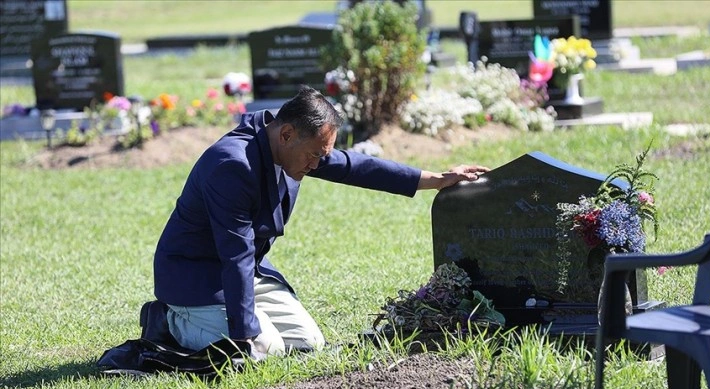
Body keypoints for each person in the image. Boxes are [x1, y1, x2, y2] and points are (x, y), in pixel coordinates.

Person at [150, 85, 489, 358]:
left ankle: (241, 329)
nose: (317, 165)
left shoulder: (294, 146)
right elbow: (235, 253)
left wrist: (438, 179)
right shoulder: (232, 166)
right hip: (196, 279)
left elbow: (355, 166)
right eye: (315, 156)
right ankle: (171, 320)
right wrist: (244, 338)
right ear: (286, 134)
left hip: (242, 275)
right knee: (263, 349)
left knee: (307, 342)